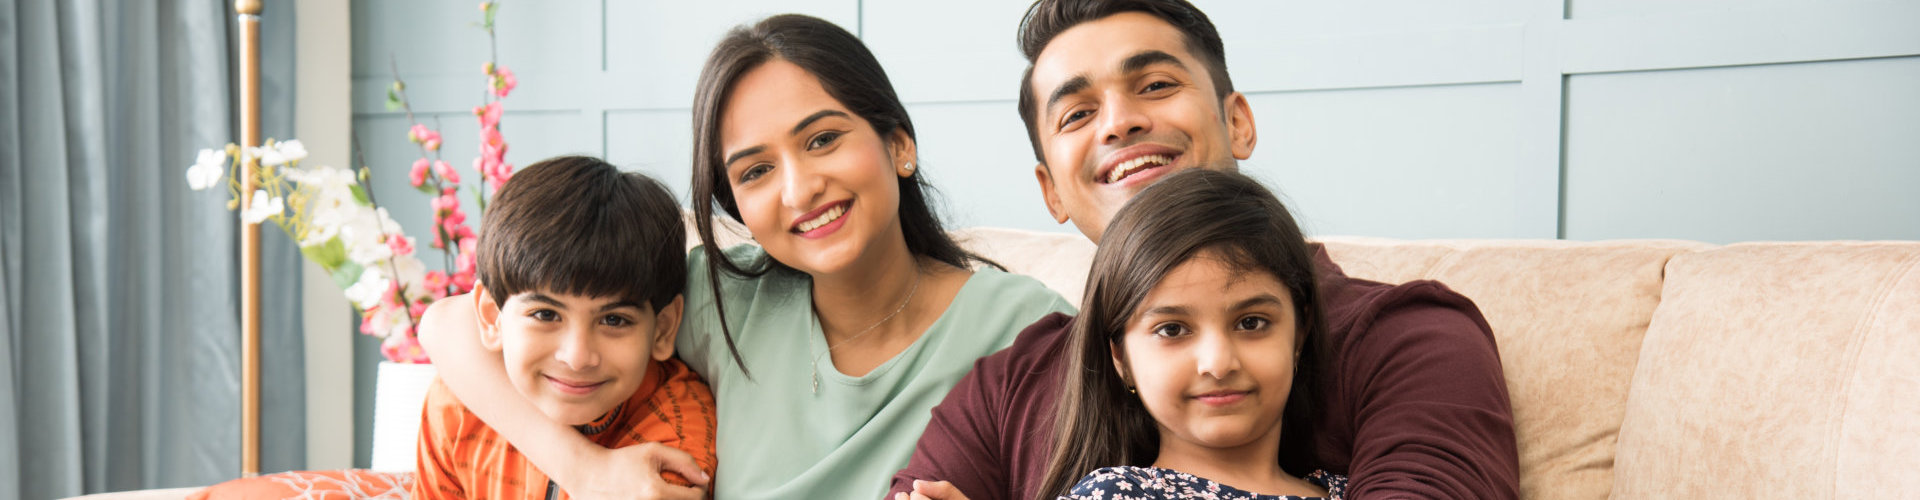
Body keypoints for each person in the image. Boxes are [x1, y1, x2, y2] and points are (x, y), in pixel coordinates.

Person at [416, 14, 1074, 500]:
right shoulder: (722, 299)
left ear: (899, 145)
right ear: (736, 207)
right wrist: (585, 470)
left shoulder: (1022, 328)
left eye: (821, 139)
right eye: (755, 171)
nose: (799, 188)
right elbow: (447, 326)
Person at [888, 1, 1519, 499]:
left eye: (1157, 85)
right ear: (1052, 190)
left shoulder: (1410, 337)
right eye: (1077, 114)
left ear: (1238, 121)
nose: (1118, 123)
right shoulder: (1009, 385)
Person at [411, 156, 718, 499]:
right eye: (545, 315)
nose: (576, 356)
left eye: (613, 320)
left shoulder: (673, 439)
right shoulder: (460, 399)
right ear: (490, 315)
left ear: (662, 329)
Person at [1036, 169, 1345, 500]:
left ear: (1299, 333)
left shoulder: (1360, 489)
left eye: (1251, 323)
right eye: (1172, 330)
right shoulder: (1114, 495)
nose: (1218, 364)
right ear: (1120, 356)